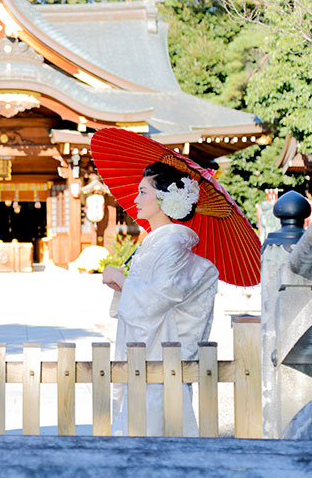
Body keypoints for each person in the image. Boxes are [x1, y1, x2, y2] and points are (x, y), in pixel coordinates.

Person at [101, 162, 219, 437]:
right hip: (144, 350)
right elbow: (147, 296)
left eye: (143, 192)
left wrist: (123, 282)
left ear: (164, 198)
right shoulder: (156, 242)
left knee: (155, 431)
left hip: (158, 357)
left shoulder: (172, 245)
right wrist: (122, 286)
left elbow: (159, 300)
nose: (135, 199)